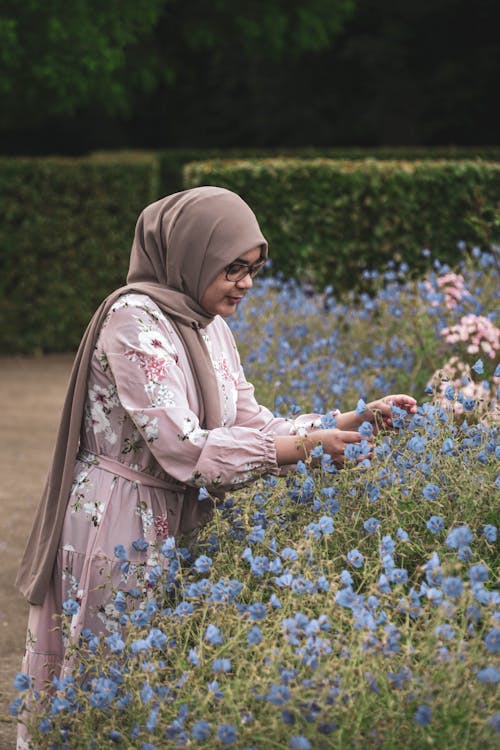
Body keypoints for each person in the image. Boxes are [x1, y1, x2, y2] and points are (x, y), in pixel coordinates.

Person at [16, 186, 417, 700]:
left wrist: (353, 420)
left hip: (177, 515)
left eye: (253, 269)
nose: (246, 283)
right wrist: (309, 447)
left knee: (157, 681)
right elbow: (184, 447)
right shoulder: (133, 320)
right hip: (118, 518)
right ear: (190, 255)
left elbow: (251, 421)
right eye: (233, 268)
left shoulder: (208, 324)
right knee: (107, 677)